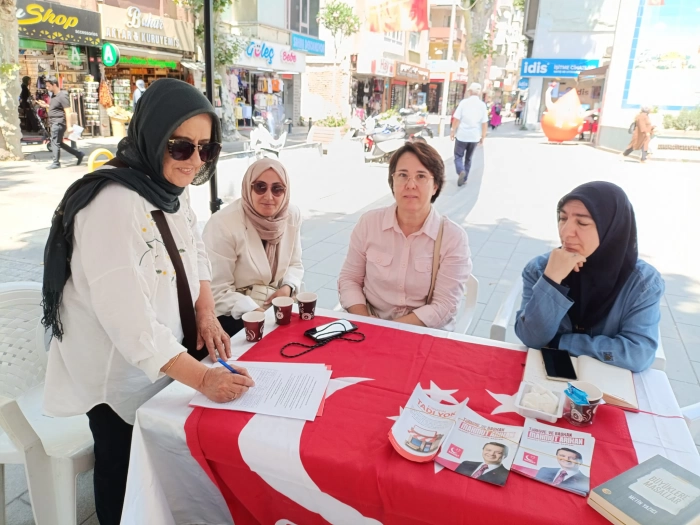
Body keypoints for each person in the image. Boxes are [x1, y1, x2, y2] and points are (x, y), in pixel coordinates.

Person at [41, 79, 255, 525]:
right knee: (123, 474)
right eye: (181, 146)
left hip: (163, 355)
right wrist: (203, 378)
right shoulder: (112, 204)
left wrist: (205, 312)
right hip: (118, 375)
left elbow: (194, 248)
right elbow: (129, 324)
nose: (194, 160)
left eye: (206, 149)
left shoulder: (167, 186)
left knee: (160, 471)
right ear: (153, 136)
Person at [514, 181, 664, 373]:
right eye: (562, 218)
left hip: (608, 382)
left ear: (611, 229)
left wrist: (560, 342)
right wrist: (551, 281)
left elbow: (637, 354)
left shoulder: (643, 283)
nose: (566, 232)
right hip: (543, 378)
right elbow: (531, 338)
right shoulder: (540, 269)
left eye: (582, 223)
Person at [338, 142, 472, 331]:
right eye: (402, 175)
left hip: (423, 331)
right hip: (368, 325)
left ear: (435, 186)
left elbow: (445, 305)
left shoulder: (453, 238)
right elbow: (349, 279)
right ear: (392, 182)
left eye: (421, 176)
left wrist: (386, 331)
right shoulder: (369, 223)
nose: (410, 185)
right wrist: (365, 321)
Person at [203, 158, 303, 337]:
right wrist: (255, 311)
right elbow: (217, 290)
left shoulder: (291, 215)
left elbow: (295, 263)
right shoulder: (223, 223)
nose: (269, 196)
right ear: (247, 188)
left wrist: (287, 287)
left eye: (277, 189)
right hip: (234, 312)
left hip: (278, 305)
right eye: (260, 187)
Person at [35, 76, 84, 169]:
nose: (47, 88)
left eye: (49, 86)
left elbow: (67, 111)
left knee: (55, 142)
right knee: (58, 143)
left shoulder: (63, 95)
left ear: (54, 85)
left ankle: (56, 163)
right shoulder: (54, 95)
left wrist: (69, 126)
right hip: (54, 122)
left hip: (58, 122)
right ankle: (78, 154)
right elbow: (56, 107)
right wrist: (46, 105)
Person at [450, 82, 488, 187]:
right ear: (479, 93)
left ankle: (460, 171)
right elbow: (484, 123)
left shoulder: (464, 103)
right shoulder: (482, 105)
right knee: (468, 158)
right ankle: (465, 178)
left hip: (462, 136)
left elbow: (456, 119)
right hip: (474, 137)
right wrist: (483, 136)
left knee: (458, 156)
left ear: (470, 91)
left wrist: (453, 130)